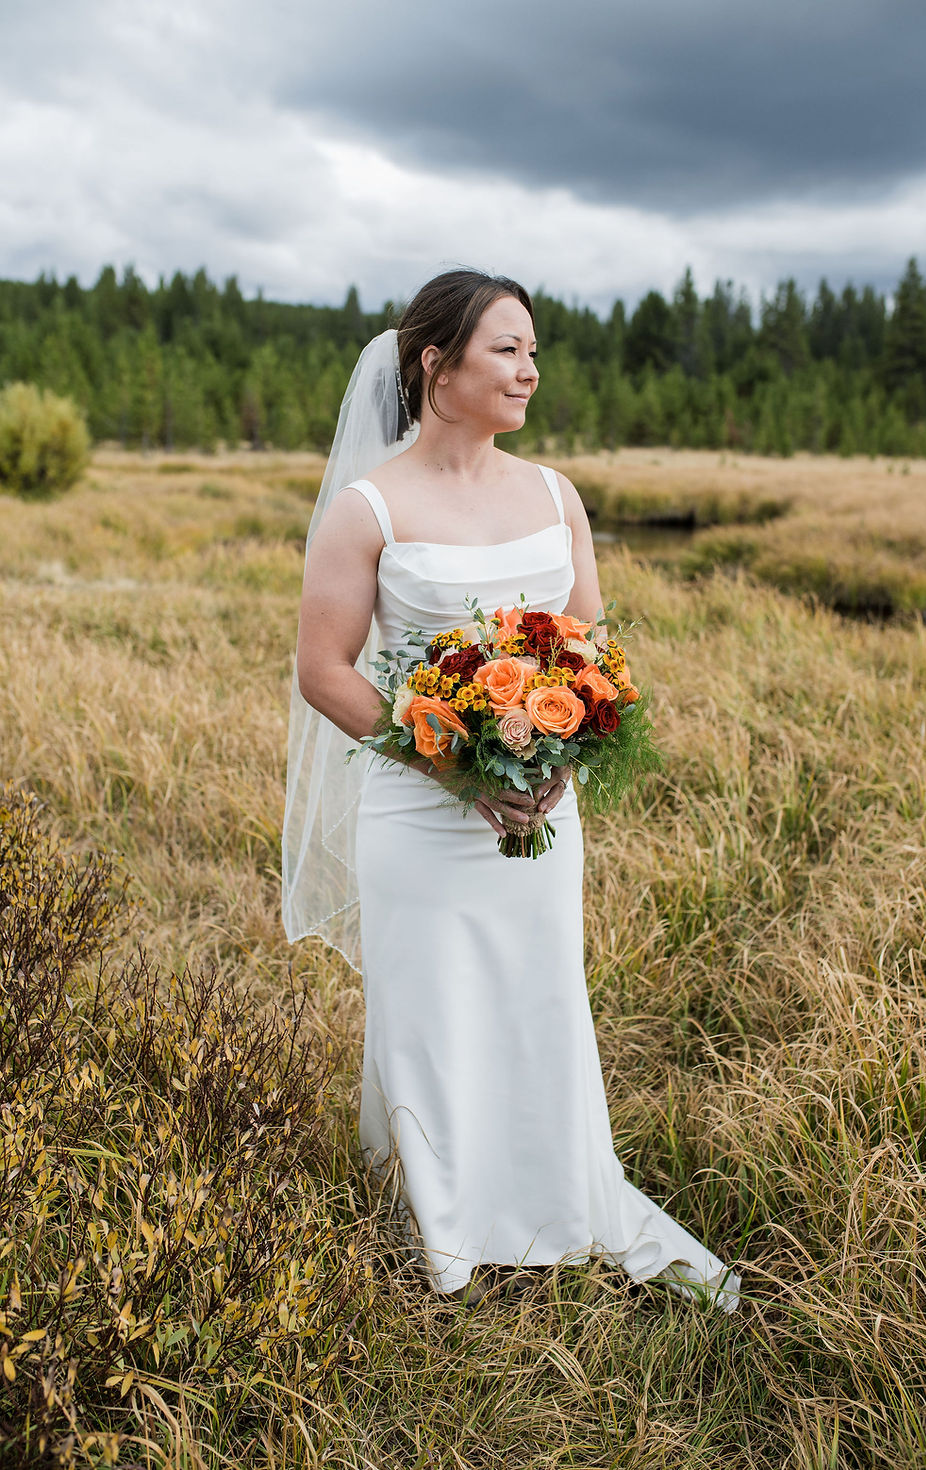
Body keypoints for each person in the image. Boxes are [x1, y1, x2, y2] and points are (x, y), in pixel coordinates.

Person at [282, 268, 739, 1311]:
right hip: (417, 811)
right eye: (506, 349)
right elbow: (325, 670)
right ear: (435, 365)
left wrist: (552, 761)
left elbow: (591, 653)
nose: (529, 369)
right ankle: (447, 1232)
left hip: (540, 807)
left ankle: (552, 1206)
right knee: (433, 1007)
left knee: (537, 997)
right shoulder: (369, 506)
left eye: (533, 351)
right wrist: (447, 760)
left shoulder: (551, 495)